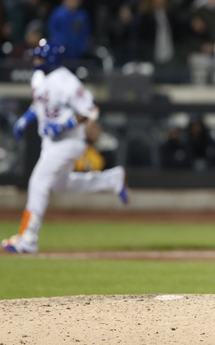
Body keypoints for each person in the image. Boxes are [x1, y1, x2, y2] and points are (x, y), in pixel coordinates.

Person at [1, 39, 128, 254]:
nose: (36, 58)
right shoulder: (39, 76)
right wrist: (25, 119)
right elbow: (38, 103)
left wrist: (63, 125)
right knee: (61, 185)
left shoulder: (68, 82)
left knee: (38, 182)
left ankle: (27, 238)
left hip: (69, 142)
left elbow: (90, 111)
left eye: (40, 55)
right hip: (50, 142)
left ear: (51, 58)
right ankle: (111, 179)